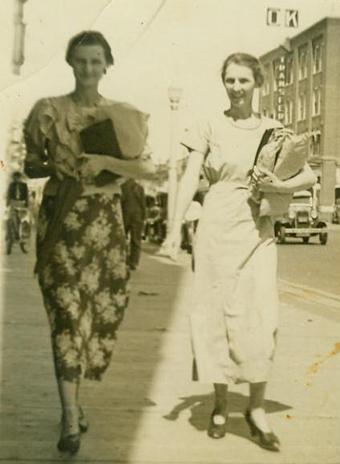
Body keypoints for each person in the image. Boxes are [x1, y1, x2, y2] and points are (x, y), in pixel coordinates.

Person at [162, 53, 316, 451]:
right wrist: (173, 228)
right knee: (214, 316)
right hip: (215, 227)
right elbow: (192, 175)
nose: (236, 87)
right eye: (230, 80)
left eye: (243, 80)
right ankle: (218, 403)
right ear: (223, 83)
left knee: (261, 317)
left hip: (257, 229)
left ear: (257, 83)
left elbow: (309, 174)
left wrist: (279, 188)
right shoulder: (209, 125)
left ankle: (256, 408)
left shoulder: (274, 129)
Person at [23, 31, 155, 454]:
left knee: (95, 317)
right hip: (62, 222)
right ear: (70, 63)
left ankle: (75, 401)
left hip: (105, 227)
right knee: (65, 315)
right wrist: (56, 166)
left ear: (106, 65)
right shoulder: (49, 110)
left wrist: (104, 161)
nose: (87, 69)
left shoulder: (122, 115)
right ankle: (69, 415)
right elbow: (31, 163)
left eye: (96, 61)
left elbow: (142, 169)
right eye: (80, 61)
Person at [121, 178, 146, 270]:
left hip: (126, 215)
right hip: (136, 216)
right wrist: (144, 216)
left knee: (123, 238)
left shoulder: (123, 187)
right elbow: (143, 204)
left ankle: (125, 260)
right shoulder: (139, 188)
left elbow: (121, 200)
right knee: (135, 239)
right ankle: (133, 261)